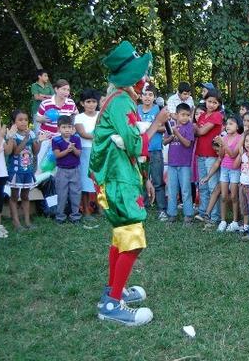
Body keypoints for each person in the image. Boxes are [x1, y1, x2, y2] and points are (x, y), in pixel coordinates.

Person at [91, 40, 170, 326]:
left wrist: (143, 178)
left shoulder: (120, 101)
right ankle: (112, 305)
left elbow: (128, 145)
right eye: (142, 74)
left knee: (120, 235)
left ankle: (115, 290)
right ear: (132, 78)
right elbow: (136, 145)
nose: (145, 80)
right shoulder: (122, 102)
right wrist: (157, 122)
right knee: (132, 237)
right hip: (116, 179)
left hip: (122, 177)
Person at [4, 110, 47, 231]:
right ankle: (16, 223)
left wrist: (38, 141)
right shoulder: (12, 135)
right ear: (14, 123)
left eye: (26, 120)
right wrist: (26, 138)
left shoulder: (31, 133)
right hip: (16, 171)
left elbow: (35, 152)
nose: (24, 122)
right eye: (20, 120)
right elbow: (16, 151)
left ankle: (27, 222)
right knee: (14, 197)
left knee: (25, 196)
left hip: (28, 171)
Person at [195, 90, 224, 225]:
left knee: (213, 186)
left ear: (218, 104)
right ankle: (203, 213)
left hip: (212, 155)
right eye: (209, 101)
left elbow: (201, 131)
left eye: (215, 102)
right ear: (205, 101)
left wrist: (194, 126)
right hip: (200, 154)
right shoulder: (202, 116)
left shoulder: (217, 116)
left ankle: (214, 216)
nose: (211, 104)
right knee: (203, 186)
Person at [138, 85, 167, 221]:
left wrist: (150, 127)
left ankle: (162, 209)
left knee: (157, 180)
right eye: (145, 94)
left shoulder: (158, 109)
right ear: (140, 96)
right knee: (141, 180)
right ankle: (143, 207)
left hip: (155, 149)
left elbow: (164, 128)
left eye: (150, 94)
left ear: (154, 97)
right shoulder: (136, 109)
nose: (147, 97)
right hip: (140, 150)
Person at [163, 103, 195, 224]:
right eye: (182, 115)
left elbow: (187, 144)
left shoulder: (189, 127)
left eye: (187, 115)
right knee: (171, 189)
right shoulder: (170, 126)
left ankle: (188, 215)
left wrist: (177, 134)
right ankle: (171, 214)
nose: (185, 117)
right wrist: (171, 136)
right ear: (176, 115)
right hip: (172, 164)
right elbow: (165, 142)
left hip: (184, 164)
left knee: (185, 190)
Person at [75, 89, 100, 222]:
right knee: (86, 181)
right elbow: (83, 134)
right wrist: (99, 136)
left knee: (99, 180)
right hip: (85, 151)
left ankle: (100, 208)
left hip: (100, 150)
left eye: (94, 101)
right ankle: (86, 211)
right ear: (82, 103)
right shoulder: (79, 117)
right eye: (88, 102)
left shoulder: (101, 115)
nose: (91, 104)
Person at [215, 114, 243, 232]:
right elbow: (221, 155)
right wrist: (220, 144)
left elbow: (232, 154)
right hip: (224, 168)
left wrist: (223, 143)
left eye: (231, 123)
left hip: (235, 170)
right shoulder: (225, 137)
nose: (228, 126)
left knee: (233, 196)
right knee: (223, 196)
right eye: (227, 123)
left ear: (237, 126)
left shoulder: (240, 137)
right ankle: (222, 221)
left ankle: (235, 221)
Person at [52, 115, 82, 224]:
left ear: (73, 128)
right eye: (64, 127)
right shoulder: (56, 140)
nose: (67, 129)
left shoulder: (76, 139)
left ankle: (75, 216)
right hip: (62, 171)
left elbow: (78, 154)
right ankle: (60, 216)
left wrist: (73, 148)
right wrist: (67, 150)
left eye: (69, 127)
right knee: (61, 194)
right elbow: (58, 155)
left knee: (76, 193)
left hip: (75, 170)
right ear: (59, 128)